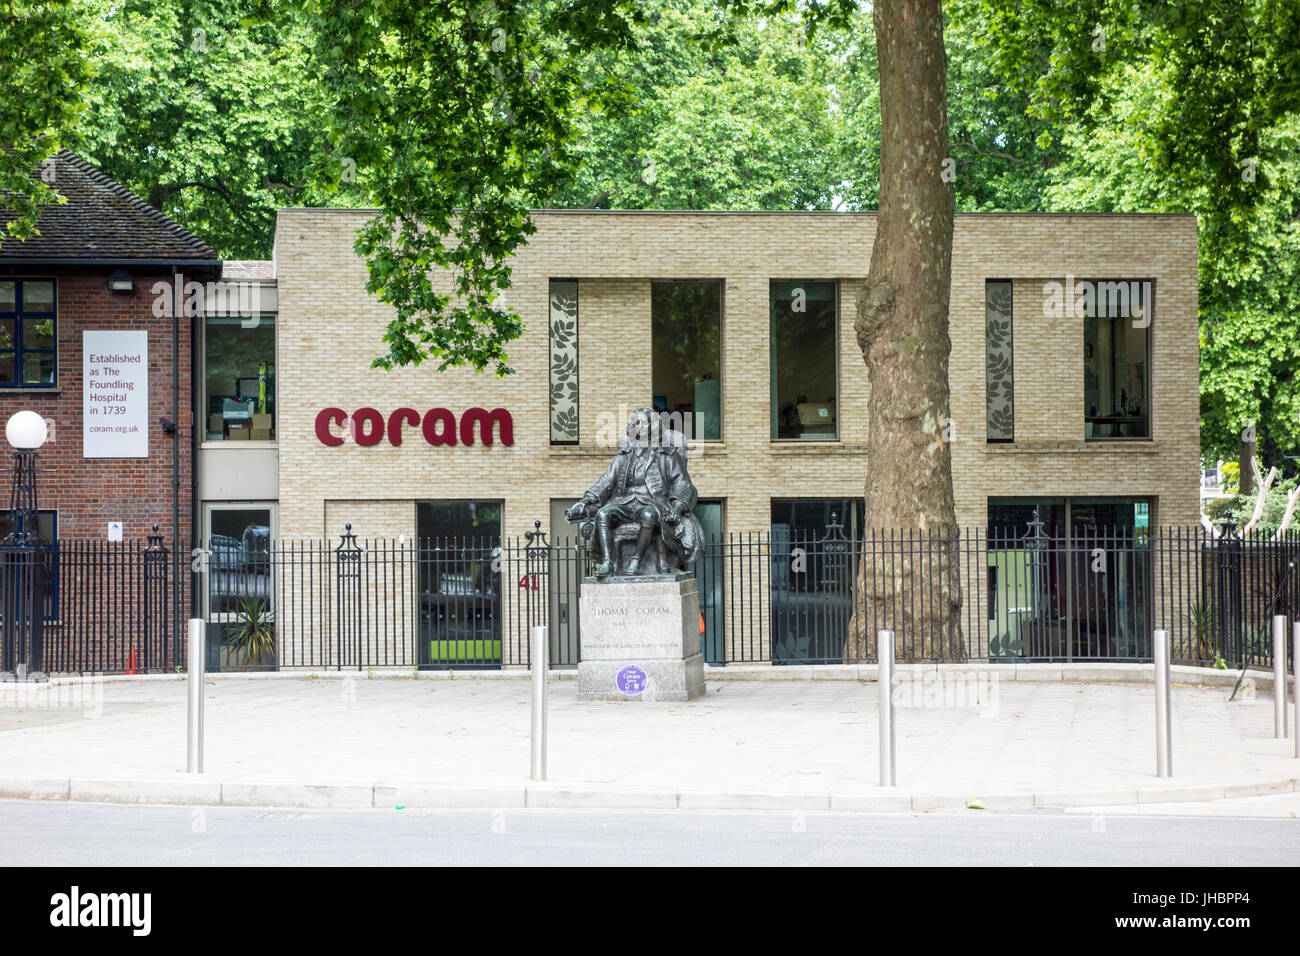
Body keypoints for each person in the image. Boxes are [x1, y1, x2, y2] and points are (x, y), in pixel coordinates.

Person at [565, 408, 703, 577]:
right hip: (625, 501)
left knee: (648, 515)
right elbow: (606, 481)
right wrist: (585, 501)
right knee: (602, 515)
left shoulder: (666, 454)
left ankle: (636, 560)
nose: (635, 426)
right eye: (633, 423)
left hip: (653, 502)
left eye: (640, 423)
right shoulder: (625, 454)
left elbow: (683, 483)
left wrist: (677, 507)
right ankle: (608, 562)